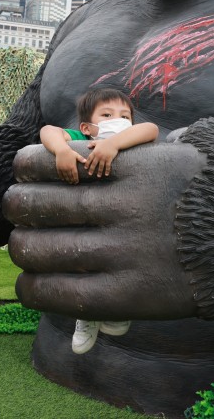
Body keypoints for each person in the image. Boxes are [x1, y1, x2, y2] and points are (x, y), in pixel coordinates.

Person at [39, 87, 158, 354]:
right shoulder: (81, 138)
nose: (118, 120)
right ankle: (87, 314)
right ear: (87, 127)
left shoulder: (133, 140)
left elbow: (150, 129)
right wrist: (62, 150)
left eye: (125, 116)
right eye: (107, 115)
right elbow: (48, 131)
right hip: (87, 221)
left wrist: (113, 144)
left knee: (125, 266)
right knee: (87, 268)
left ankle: (118, 309)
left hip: (125, 221)